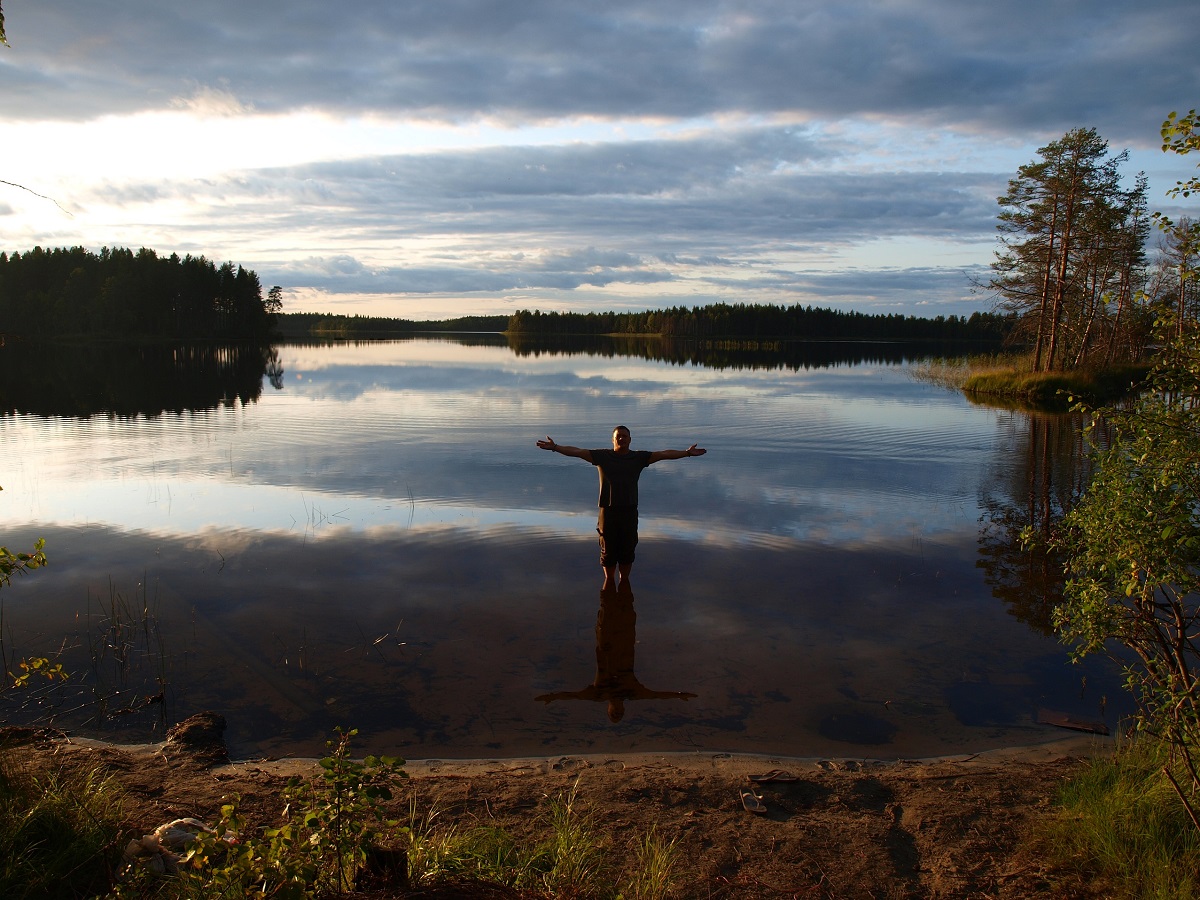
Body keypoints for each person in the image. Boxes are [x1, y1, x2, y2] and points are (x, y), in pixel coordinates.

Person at [536, 425, 706, 588]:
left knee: (627, 549)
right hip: (607, 511)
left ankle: (624, 582)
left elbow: (663, 454)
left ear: (630, 439)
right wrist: (555, 447)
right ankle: (609, 583)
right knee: (607, 550)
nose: (621, 438)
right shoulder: (602, 456)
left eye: (625, 436)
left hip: (629, 511)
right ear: (613, 439)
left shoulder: (639, 458)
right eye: (618, 436)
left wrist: (686, 453)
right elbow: (577, 452)